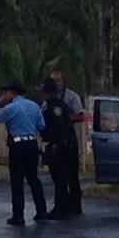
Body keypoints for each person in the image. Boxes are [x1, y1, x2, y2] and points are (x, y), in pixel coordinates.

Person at [0, 78, 47, 226]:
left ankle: (18, 215)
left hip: (18, 145)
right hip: (32, 143)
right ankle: (41, 211)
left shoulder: (11, 108)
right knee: (33, 178)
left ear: (11, 93)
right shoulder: (34, 106)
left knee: (17, 181)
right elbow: (41, 125)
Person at [39, 78, 74, 220]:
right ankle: (61, 207)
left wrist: (54, 143)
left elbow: (59, 128)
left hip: (58, 147)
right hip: (56, 145)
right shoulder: (49, 105)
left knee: (60, 178)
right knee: (58, 178)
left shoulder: (55, 107)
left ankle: (61, 208)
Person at [51, 70, 84, 216]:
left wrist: (63, 118)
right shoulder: (49, 99)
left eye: (58, 80)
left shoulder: (71, 96)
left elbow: (80, 116)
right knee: (59, 177)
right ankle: (62, 206)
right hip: (56, 142)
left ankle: (76, 206)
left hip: (70, 142)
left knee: (72, 176)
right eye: (54, 81)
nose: (57, 84)